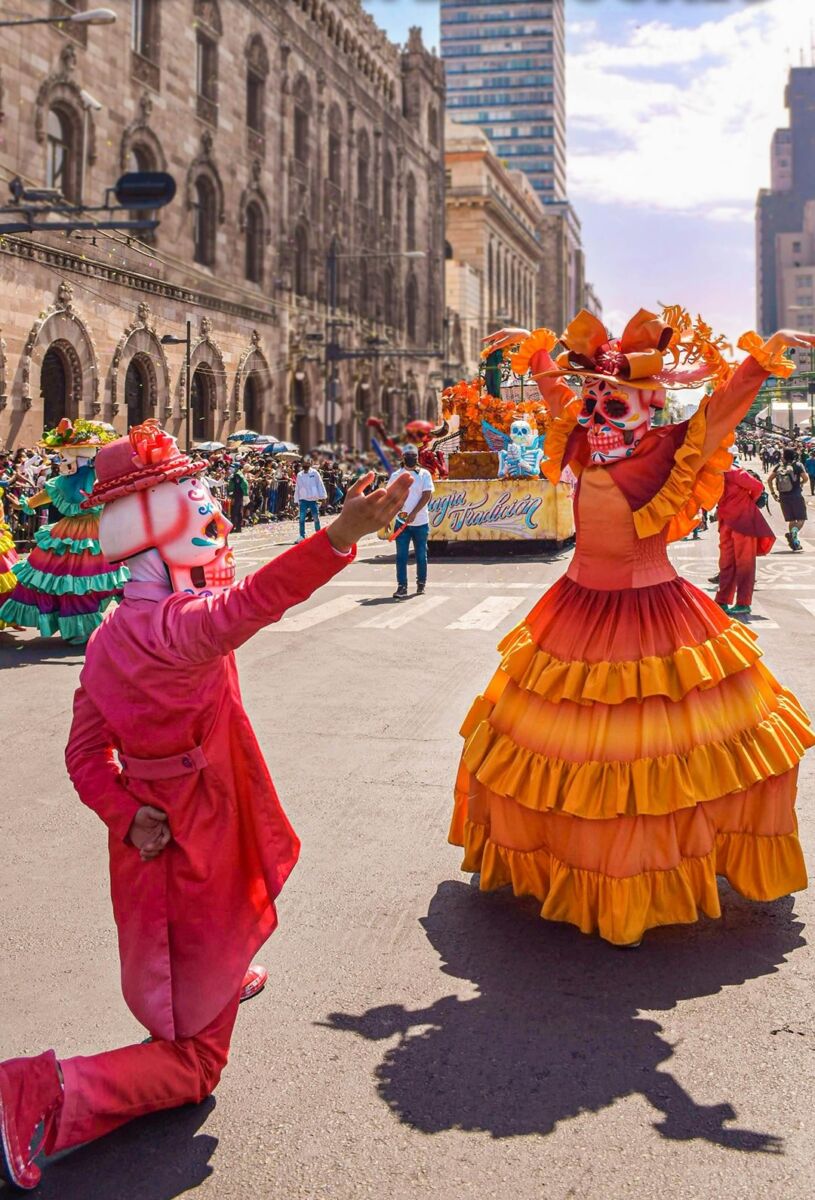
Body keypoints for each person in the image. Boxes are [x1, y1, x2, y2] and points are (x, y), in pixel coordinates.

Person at [0, 420, 411, 1191]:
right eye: (191, 497)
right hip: (193, 836)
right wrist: (340, 535)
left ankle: (216, 974)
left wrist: (126, 813)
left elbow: (85, 757)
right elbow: (252, 602)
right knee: (195, 1067)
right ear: (148, 528)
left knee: (208, 938)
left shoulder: (113, 635)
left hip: (165, 831)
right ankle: (39, 1092)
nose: (211, 509)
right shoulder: (176, 630)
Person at [450, 309, 814, 947]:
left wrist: (762, 358)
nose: (597, 411)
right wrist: (539, 358)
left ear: (651, 402)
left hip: (654, 614)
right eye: (594, 400)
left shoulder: (671, 448)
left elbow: (724, 407)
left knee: (661, 762)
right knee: (557, 754)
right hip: (578, 608)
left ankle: (647, 881)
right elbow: (562, 395)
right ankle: (578, 870)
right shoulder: (581, 437)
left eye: (614, 401)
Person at [0, 419, 128, 643]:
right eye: (61, 456)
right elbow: (44, 496)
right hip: (79, 532)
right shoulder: (65, 481)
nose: (61, 461)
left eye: (66, 456)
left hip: (91, 531)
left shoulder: (99, 478)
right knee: (72, 578)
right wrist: (24, 504)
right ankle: (81, 626)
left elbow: (117, 497)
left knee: (94, 577)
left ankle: (137, 617)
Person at [714, 458, 775, 615]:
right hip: (727, 521)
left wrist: (747, 503)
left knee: (744, 564)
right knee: (726, 563)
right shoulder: (712, 473)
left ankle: (743, 602)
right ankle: (722, 600)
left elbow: (758, 487)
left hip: (743, 522)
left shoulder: (734, 472)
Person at [389, 444, 435, 600]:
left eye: (414, 456)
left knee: (421, 555)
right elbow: (390, 496)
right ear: (403, 457)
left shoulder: (424, 474)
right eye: (408, 455)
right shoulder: (396, 475)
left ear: (418, 457)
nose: (412, 458)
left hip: (420, 522)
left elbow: (427, 494)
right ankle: (402, 587)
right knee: (401, 556)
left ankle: (421, 583)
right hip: (401, 524)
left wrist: (414, 513)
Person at [768, 445, 807, 551]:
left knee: (791, 520)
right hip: (796, 496)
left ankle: (794, 543)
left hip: (783, 497)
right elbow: (805, 478)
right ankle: (794, 533)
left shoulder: (779, 466)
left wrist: (773, 493)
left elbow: (769, 480)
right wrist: (801, 484)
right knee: (801, 519)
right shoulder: (798, 465)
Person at [294, 457, 327, 542]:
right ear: (302, 464)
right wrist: (296, 500)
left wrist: (323, 497)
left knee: (316, 518)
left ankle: (318, 534)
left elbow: (320, 484)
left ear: (310, 464)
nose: (306, 465)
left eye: (307, 463)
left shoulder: (315, 473)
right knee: (301, 519)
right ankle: (302, 535)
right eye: (304, 463)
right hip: (303, 499)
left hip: (313, 499)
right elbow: (297, 487)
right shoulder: (299, 475)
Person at [227, 463, 249, 533]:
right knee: (239, 511)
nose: (231, 468)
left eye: (233, 467)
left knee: (234, 512)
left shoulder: (237, 475)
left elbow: (244, 484)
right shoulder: (238, 475)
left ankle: (233, 527)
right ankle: (238, 528)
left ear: (237, 468)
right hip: (239, 495)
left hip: (236, 495)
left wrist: (245, 494)